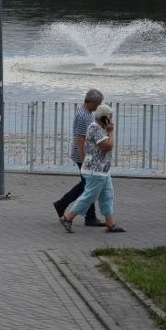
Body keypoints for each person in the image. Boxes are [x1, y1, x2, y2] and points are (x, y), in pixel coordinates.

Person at [59, 104, 126, 234]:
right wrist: (111, 131)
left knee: (107, 195)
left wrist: (108, 130)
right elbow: (107, 146)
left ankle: (110, 223)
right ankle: (67, 217)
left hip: (103, 171)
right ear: (105, 118)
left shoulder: (99, 128)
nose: (112, 120)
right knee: (89, 196)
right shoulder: (96, 129)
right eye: (110, 117)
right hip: (96, 171)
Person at [53, 89, 105, 227]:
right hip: (82, 155)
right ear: (92, 102)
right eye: (98, 103)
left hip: (84, 155)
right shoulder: (83, 115)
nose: (98, 107)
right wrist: (84, 160)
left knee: (88, 185)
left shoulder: (86, 113)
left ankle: (89, 216)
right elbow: (80, 139)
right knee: (89, 185)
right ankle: (63, 204)